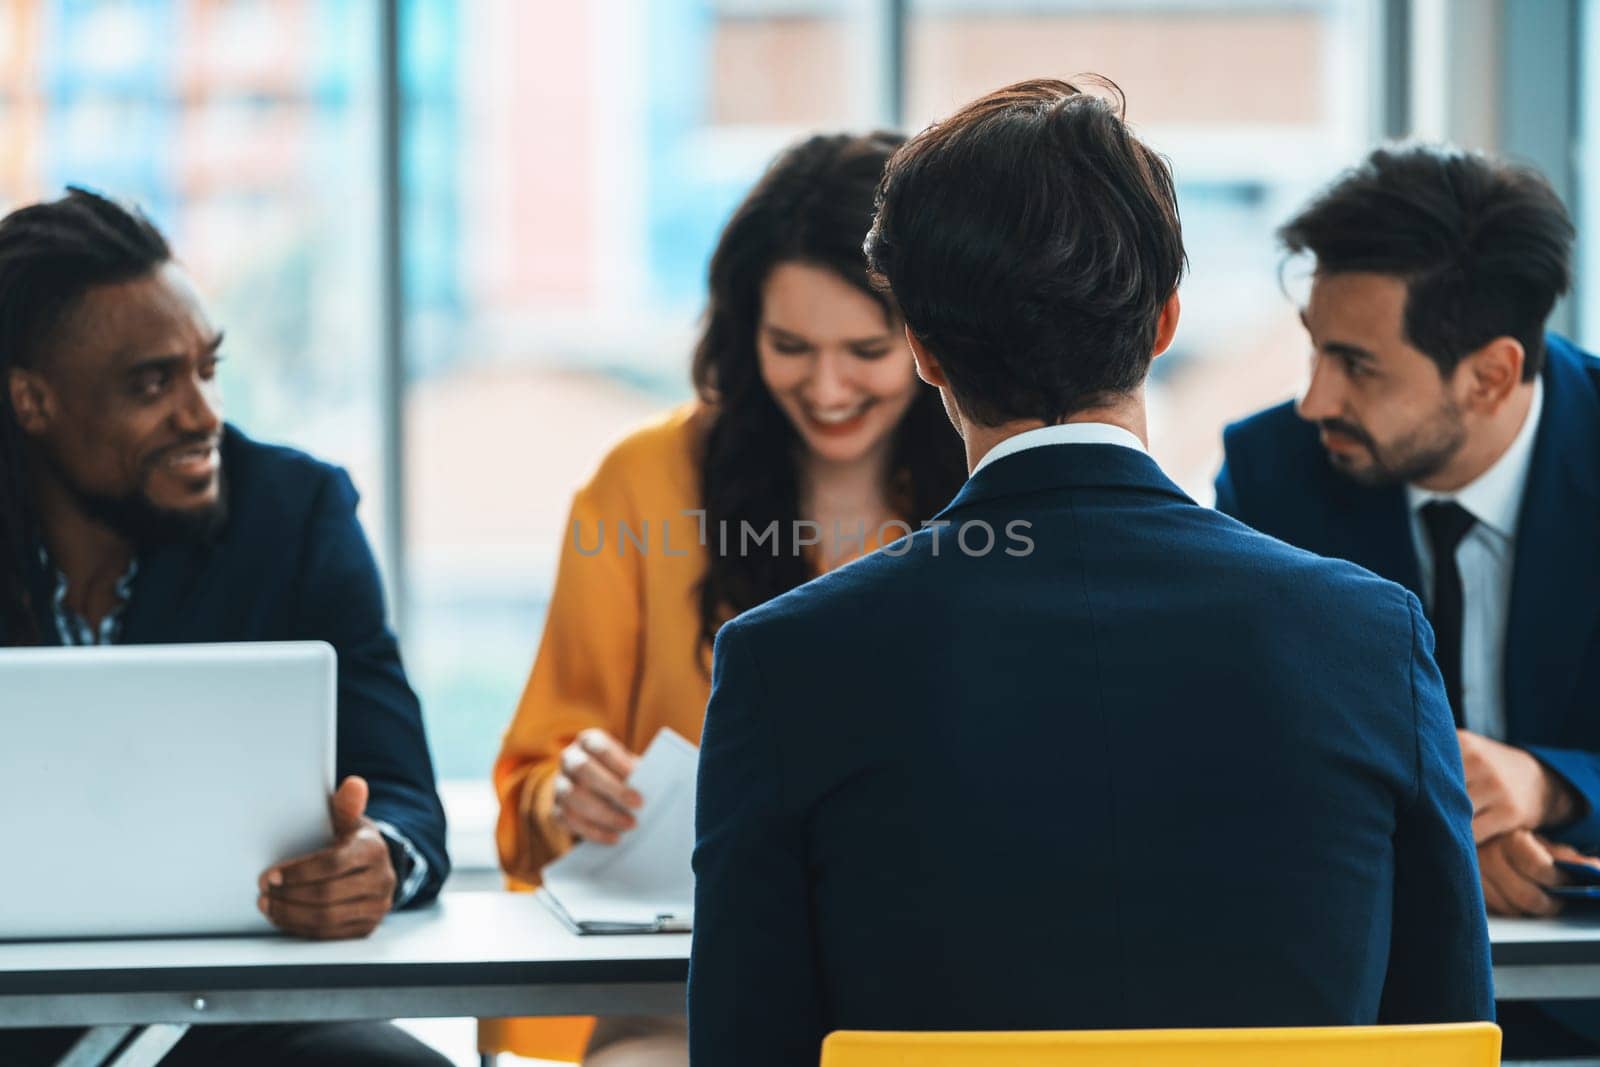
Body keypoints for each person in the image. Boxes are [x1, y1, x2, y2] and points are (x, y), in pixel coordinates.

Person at [687, 79, 1494, 1067]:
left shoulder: (785, 661)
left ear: (925, 352)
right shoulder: (1370, 635)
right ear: (1162, 324)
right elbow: (1447, 1033)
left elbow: (742, 1048)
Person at [491, 132, 966, 1066]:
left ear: (934, 341)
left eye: (867, 350)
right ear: (743, 334)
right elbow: (526, 799)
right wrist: (567, 795)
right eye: (790, 345)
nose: (827, 389)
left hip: (934, 978)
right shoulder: (641, 485)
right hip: (684, 987)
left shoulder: (989, 481)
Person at [0, 188, 451, 1067]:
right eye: (152, 384)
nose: (202, 414)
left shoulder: (295, 515)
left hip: (235, 1015)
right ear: (33, 401)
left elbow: (406, 799)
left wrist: (377, 860)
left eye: (207, 368)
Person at [1215, 143, 1600, 1058]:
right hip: (1363, 1011)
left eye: (1357, 365)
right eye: (1314, 348)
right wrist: (1449, 845)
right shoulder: (1272, 475)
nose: (1313, 399)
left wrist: (1546, 783)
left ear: (1492, 375)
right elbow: (1238, 748)